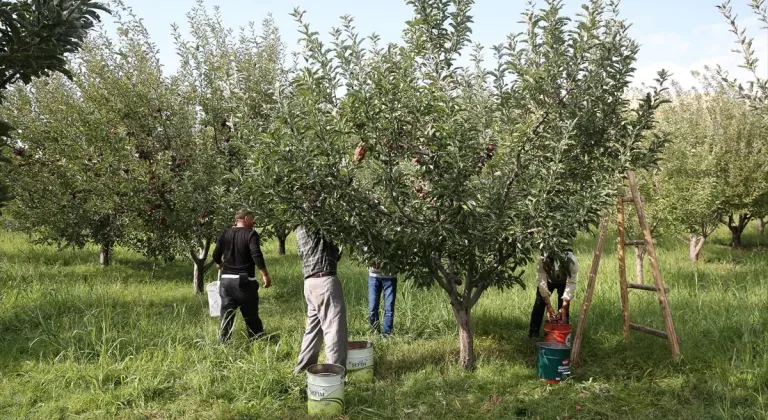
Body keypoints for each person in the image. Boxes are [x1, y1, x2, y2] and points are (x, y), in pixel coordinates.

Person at [294, 225, 348, 373]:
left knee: (313, 330)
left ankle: (302, 369)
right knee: (335, 329)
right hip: (324, 281)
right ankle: (335, 373)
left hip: (310, 283)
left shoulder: (299, 228)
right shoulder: (317, 221)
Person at [212, 210, 272, 343]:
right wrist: (265, 275)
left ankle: (223, 344)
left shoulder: (225, 233)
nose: (254, 222)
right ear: (245, 218)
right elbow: (256, 254)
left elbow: (215, 254)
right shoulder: (251, 234)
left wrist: (220, 263)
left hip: (226, 282)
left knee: (226, 317)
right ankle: (257, 343)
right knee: (251, 316)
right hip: (244, 282)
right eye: (252, 219)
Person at [528, 250, 578, 338]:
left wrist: (564, 306)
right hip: (548, 280)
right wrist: (548, 306)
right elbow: (541, 281)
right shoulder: (542, 259)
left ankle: (562, 336)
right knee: (539, 304)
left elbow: (571, 283)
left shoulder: (571, 260)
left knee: (563, 311)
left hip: (564, 282)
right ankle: (533, 334)